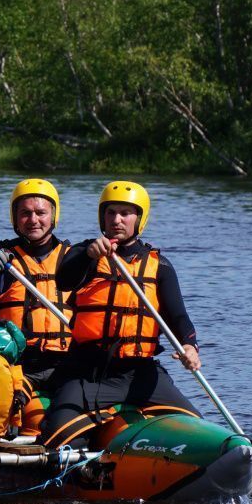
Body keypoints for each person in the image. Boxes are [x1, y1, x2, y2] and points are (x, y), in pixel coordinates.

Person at [40, 180, 202, 450]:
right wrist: (89, 254)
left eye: (125, 213)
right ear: (102, 216)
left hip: (140, 374)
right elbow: (64, 279)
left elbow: (179, 318)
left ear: (140, 218)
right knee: (57, 439)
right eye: (111, 212)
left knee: (195, 427)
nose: (117, 220)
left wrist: (190, 345)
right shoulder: (85, 254)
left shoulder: (159, 266)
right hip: (89, 372)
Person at [0, 179, 72, 392]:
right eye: (25, 213)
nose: (33, 220)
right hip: (13, 362)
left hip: (66, 363)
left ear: (54, 216)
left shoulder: (75, 261)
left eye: (41, 213)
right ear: (15, 218)